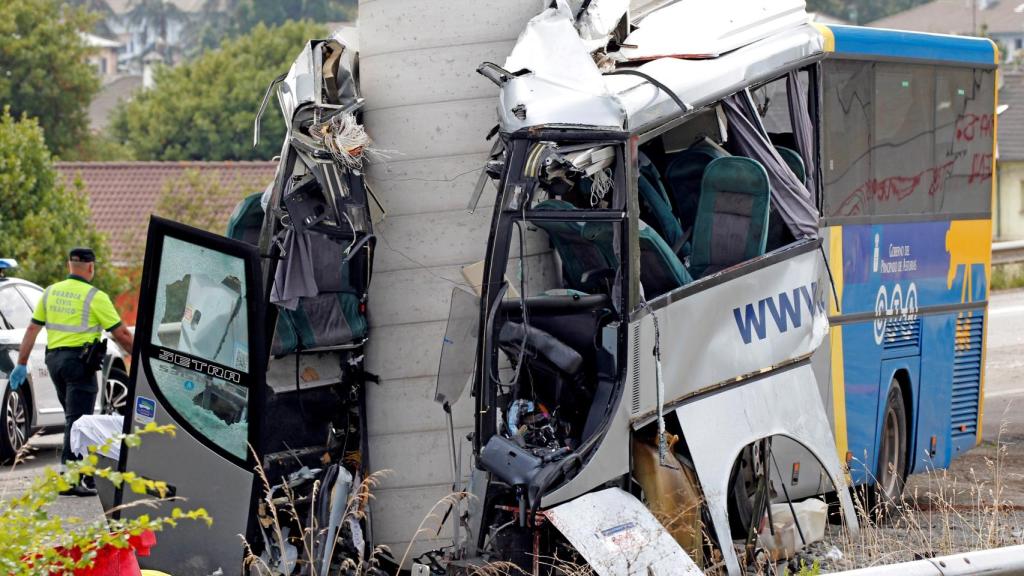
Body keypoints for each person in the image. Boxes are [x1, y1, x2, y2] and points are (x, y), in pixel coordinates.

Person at [8, 248, 134, 496]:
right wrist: (141, 359)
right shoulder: (95, 296)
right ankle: (71, 478)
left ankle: (82, 475)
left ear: (69, 265)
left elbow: (32, 330)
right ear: (91, 268)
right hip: (79, 364)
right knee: (78, 421)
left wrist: (21, 362)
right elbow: (122, 334)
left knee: (73, 418)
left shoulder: (50, 292)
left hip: (54, 362)